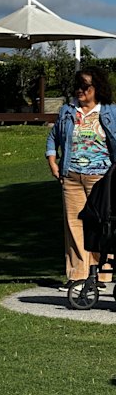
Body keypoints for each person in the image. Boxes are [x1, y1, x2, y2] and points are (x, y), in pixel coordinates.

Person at [46, 66, 116, 290]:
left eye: (85, 86)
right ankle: (78, 275)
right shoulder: (68, 111)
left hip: (101, 178)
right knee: (74, 225)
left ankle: (102, 274)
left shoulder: (110, 112)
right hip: (72, 176)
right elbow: (53, 137)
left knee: (102, 224)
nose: (80, 91)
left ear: (97, 88)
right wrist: (52, 161)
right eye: (77, 86)